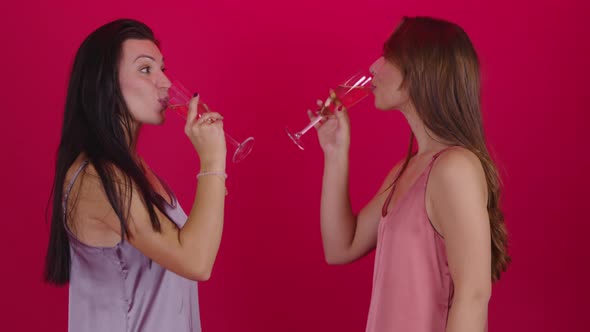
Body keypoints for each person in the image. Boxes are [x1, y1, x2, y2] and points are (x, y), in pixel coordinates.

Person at [315, 16, 510, 331]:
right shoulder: (406, 171)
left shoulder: (454, 168)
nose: (374, 67)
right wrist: (335, 153)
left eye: (388, 57)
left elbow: (473, 296)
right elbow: (341, 247)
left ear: (419, 72)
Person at [44, 18, 227, 332]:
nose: (166, 83)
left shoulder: (133, 170)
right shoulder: (96, 179)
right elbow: (196, 262)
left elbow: (189, 246)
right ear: (106, 83)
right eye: (146, 70)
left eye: (162, 69)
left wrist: (212, 184)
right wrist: (212, 162)